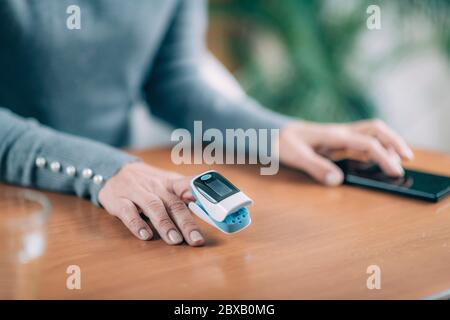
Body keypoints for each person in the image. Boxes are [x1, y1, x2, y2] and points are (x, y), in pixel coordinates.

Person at [0, 0, 413, 247]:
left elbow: (173, 83)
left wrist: (278, 133)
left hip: (114, 207)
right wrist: (102, 169)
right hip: (20, 208)